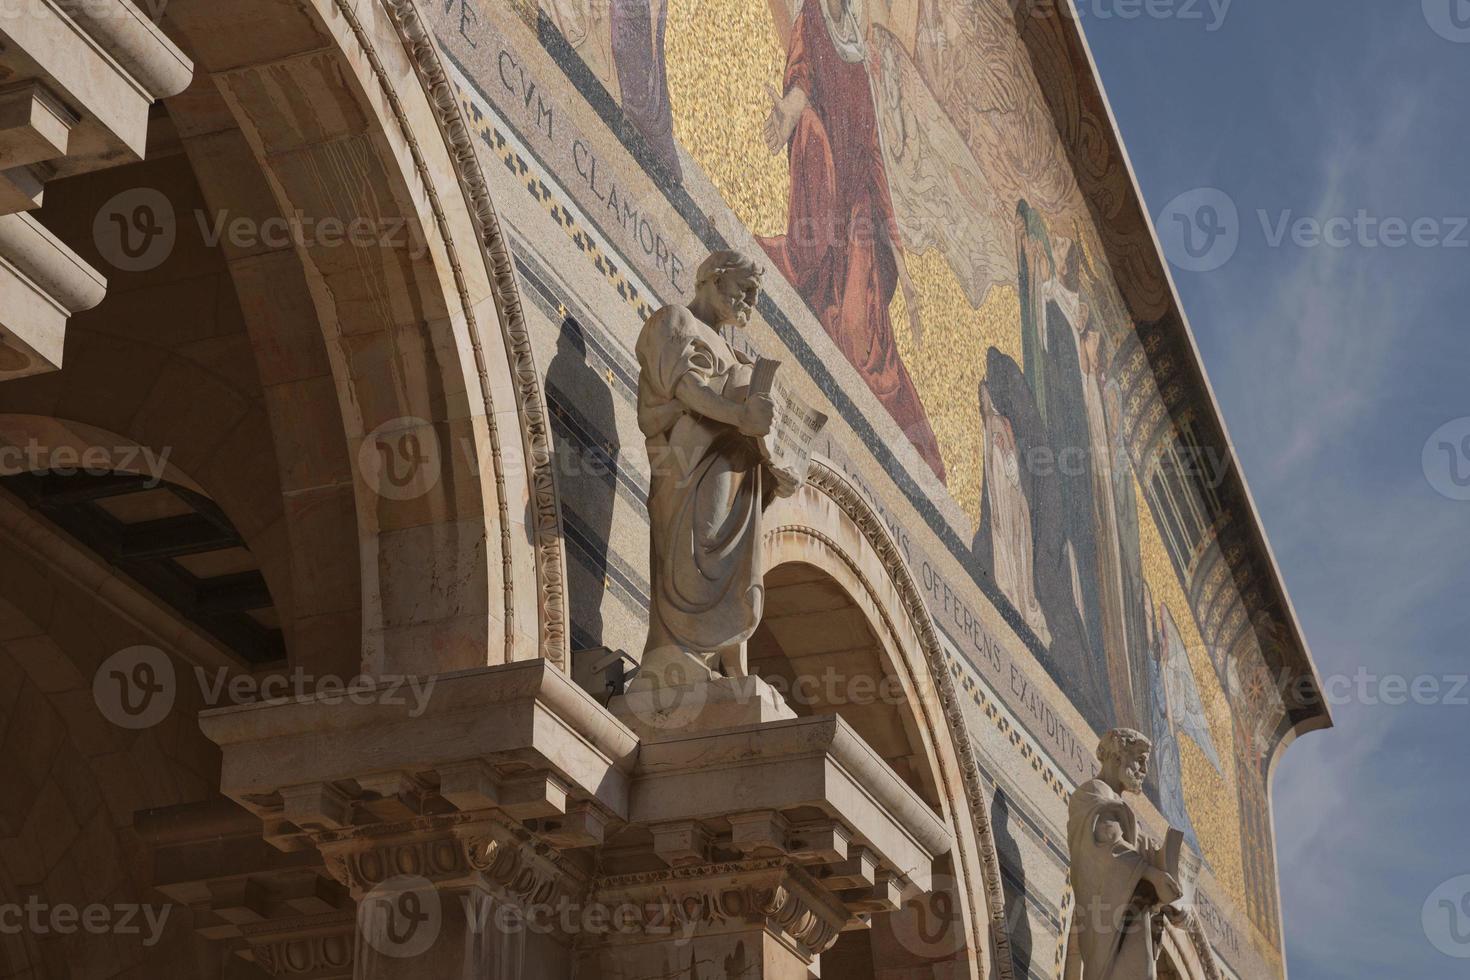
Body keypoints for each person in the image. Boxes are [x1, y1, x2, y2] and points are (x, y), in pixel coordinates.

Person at [635, 249, 797, 686]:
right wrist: (740, 414)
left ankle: (726, 663)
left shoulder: (735, 352)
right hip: (689, 463)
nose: (751, 303)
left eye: (756, 295)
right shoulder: (674, 321)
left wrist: (777, 462)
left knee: (741, 569)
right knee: (695, 550)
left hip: (735, 462)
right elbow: (689, 390)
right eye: (745, 290)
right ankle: (675, 651)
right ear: (714, 278)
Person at [1065, 728, 1184, 980]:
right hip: (1112, 924)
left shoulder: (1125, 814)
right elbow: (1110, 850)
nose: (1144, 771)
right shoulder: (1092, 794)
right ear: (1118, 756)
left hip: (1133, 918)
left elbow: (1144, 853)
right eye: (1139, 760)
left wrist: (1174, 899)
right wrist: (1151, 875)